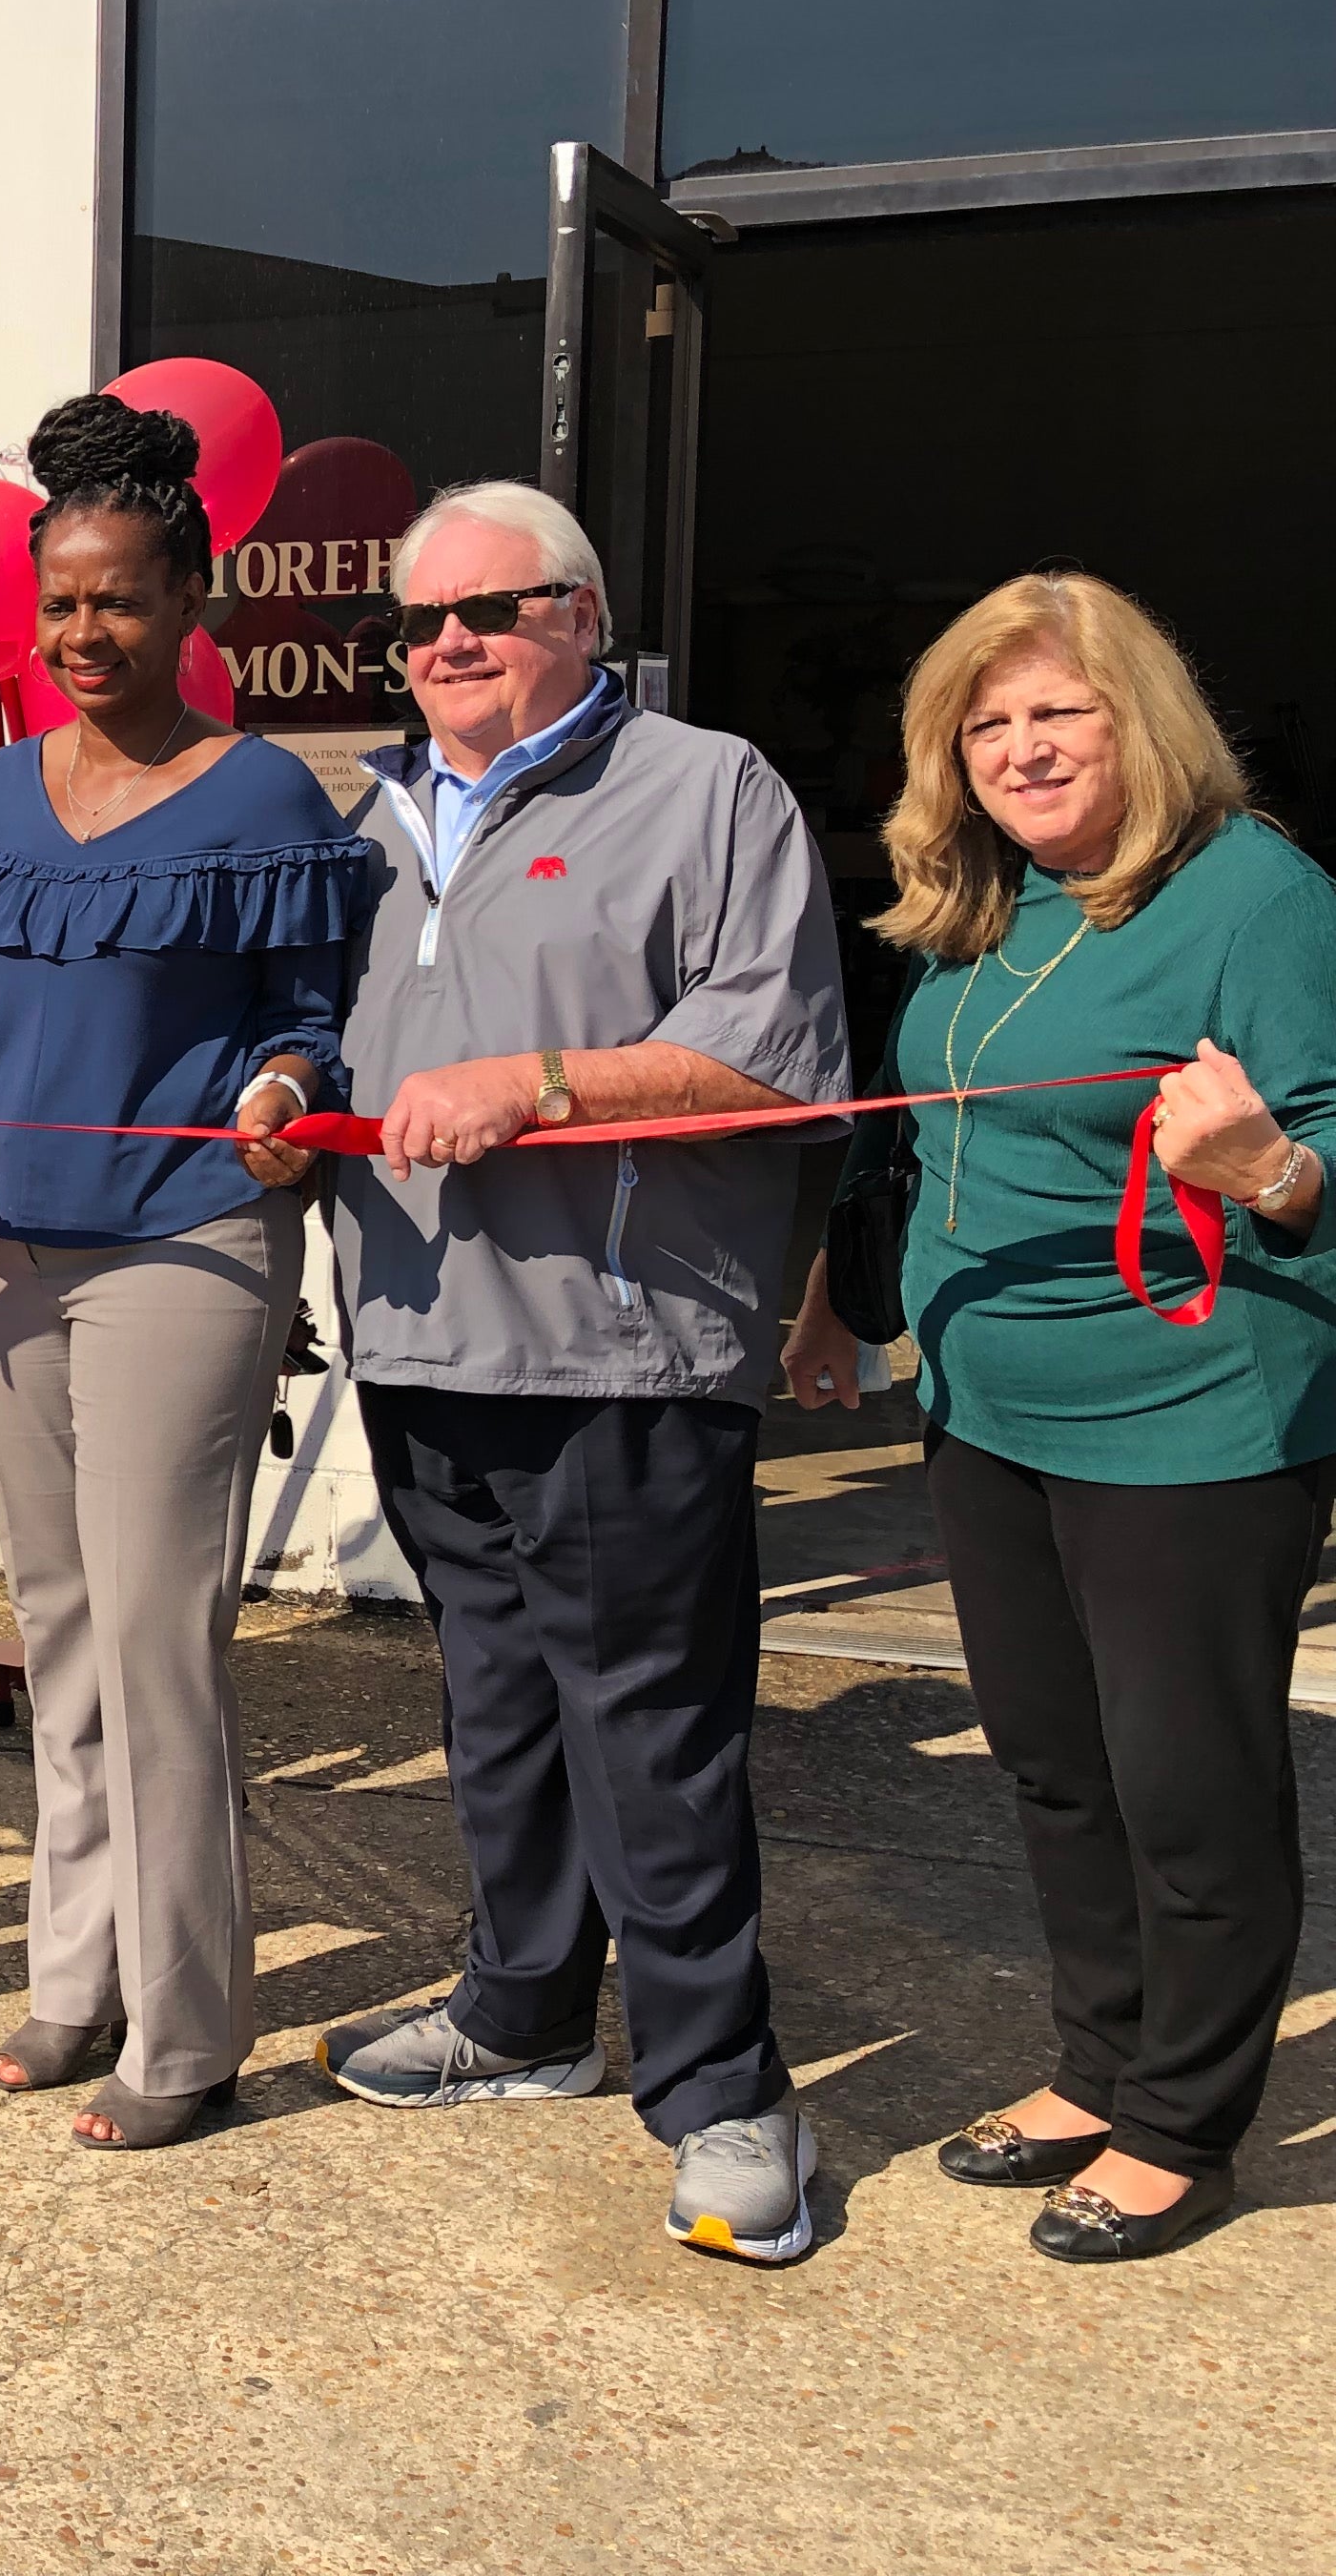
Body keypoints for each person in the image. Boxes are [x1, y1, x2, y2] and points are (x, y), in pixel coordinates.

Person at [309, 482, 850, 2265]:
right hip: (419, 1333)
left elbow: (768, 1053)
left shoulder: (708, 788)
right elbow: (326, 1033)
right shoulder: (367, 819)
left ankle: (721, 2092)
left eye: (497, 607)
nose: (450, 642)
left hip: (620, 1349)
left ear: (586, 617)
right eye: (421, 620)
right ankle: (522, 2010)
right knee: (495, 1707)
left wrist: (545, 1086)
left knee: (656, 1733)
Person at [0, 397, 374, 2145]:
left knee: (155, 1641)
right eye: (62, 604)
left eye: (120, 601)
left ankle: (191, 2030)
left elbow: (312, 1024)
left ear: (193, 600)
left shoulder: (270, 795)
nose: (83, 635)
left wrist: (291, 1092)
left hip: (184, 1254)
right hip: (6, 1245)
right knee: (59, 1630)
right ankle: (78, 1975)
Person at [785, 573, 1336, 2264]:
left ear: (1140, 722)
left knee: (1187, 1779)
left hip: (1190, 1418)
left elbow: (1319, 1149)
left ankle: (1187, 2116)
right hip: (986, 1402)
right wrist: (847, 1296)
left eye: (1058, 713)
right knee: (1052, 1767)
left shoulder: (1259, 897)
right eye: (988, 720)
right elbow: (927, 1136)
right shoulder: (982, 901)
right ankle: (1098, 2059)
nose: (1019, 748)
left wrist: (1274, 1172)